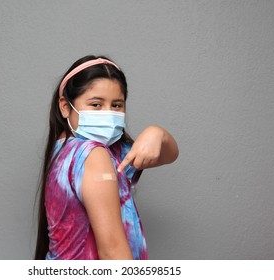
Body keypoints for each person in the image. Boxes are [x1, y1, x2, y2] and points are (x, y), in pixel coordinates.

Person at [35, 55, 178, 260]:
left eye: (117, 105)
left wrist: (158, 133)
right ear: (65, 107)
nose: (108, 114)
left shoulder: (66, 149)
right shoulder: (94, 154)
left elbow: (169, 154)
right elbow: (112, 251)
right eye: (96, 104)